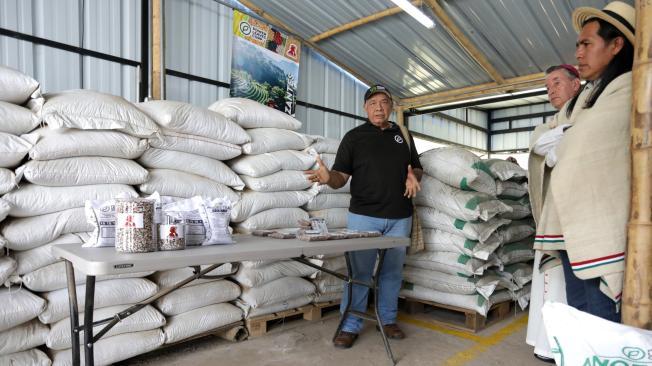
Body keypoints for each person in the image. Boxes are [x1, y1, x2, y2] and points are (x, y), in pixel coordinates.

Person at [529, 1, 634, 325]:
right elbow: (541, 141)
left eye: (587, 44)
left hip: (599, 228)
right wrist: (564, 138)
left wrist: (565, 140)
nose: (579, 53)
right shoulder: (590, 96)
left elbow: (587, 143)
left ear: (616, 44)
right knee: (580, 315)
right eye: (578, 45)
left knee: (602, 323)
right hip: (569, 225)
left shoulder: (630, 88)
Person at [305, 84, 423, 349]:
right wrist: (327, 178)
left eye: (383, 102)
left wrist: (414, 176)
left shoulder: (403, 134)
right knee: (359, 273)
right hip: (363, 217)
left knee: (392, 272)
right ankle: (350, 325)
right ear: (365, 108)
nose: (378, 107)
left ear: (391, 106)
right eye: (372, 103)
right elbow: (340, 178)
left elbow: (416, 166)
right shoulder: (354, 137)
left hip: (399, 216)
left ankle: (388, 319)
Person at [526, 64, 580, 363]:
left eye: (557, 83)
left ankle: (571, 345)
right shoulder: (550, 124)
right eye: (547, 86)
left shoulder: (589, 113)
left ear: (576, 84)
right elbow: (541, 147)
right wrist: (564, 135)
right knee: (555, 280)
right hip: (554, 216)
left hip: (581, 214)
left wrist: (565, 137)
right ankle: (548, 344)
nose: (551, 90)